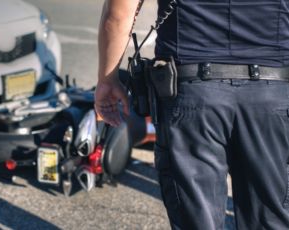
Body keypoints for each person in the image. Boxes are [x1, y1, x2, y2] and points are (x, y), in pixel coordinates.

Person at [95, 0, 289, 229]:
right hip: (271, 92)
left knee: (196, 218)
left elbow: (118, 13)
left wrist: (107, 79)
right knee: (270, 218)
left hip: (193, 93)